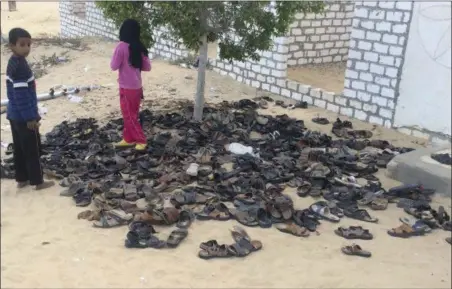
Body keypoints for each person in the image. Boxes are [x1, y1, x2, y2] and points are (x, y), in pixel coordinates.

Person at [6, 28, 54, 190]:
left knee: (19, 148)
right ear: (12, 46)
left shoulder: (13, 61)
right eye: (22, 45)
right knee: (32, 149)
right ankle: (37, 181)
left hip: (13, 115)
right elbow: (21, 96)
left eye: (29, 44)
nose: (26, 48)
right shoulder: (21, 68)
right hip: (24, 117)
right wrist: (30, 118)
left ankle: (22, 179)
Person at [110, 19, 151, 151]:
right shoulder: (139, 46)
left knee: (129, 115)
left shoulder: (121, 46)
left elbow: (113, 66)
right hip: (137, 87)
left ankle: (141, 140)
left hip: (126, 87)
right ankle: (128, 138)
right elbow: (147, 67)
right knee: (131, 114)